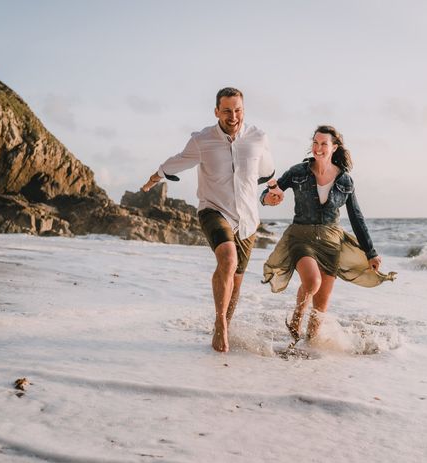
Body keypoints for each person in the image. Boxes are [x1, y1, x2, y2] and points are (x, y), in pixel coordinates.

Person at [142, 87, 281, 353]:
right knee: (228, 260)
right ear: (216, 111)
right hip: (213, 209)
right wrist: (154, 178)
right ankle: (219, 323)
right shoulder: (202, 140)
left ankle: (226, 324)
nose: (233, 116)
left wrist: (273, 191)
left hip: (248, 219)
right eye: (227, 110)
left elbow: (267, 172)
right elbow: (178, 161)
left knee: (236, 279)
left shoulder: (258, 138)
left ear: (243, 110)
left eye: (238, 110)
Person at [261, 125, 395, 345]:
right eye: (315, 142)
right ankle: (296, 319)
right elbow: (270, 193)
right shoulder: (297, 172)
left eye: (324, 143)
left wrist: (370, 252)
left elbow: (356, 218)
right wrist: (269, 197)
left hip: (331, 242)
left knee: (321, 306)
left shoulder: (345, 180)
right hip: (301, 236)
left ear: (334, 147)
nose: (318, 148)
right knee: (312, 282)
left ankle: (309, 348)